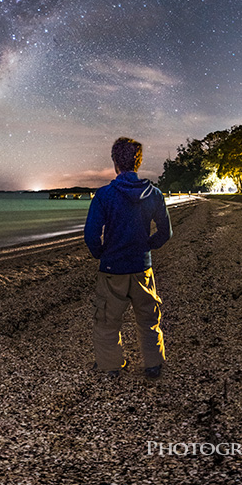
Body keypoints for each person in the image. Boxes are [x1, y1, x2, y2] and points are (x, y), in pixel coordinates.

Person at [83, 137, 172, 380]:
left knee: (107, 320)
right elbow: (165, 232)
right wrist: (146, 247)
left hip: (113, 269)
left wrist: (100, 253)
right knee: (148, 319)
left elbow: (91, 234)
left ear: (115, 163)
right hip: (142, 267)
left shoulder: (104, 195)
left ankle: (111, 365)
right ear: (138, 162)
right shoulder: (154, 194)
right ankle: (153, 364)